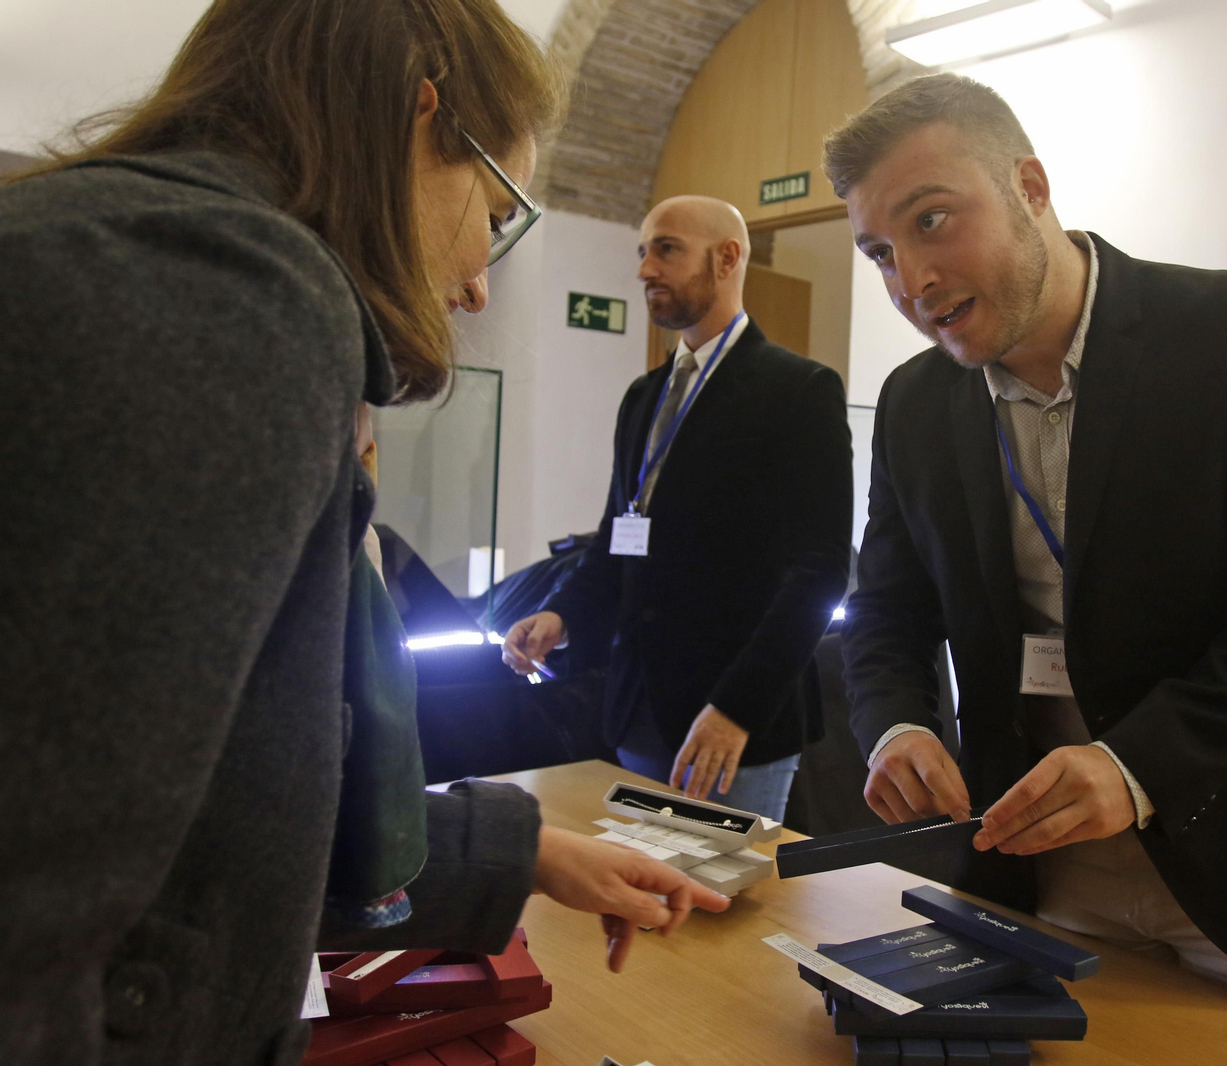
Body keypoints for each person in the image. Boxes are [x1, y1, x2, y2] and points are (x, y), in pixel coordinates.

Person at [0, 3, 725, 1065]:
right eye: (497, 210)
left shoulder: (160, 261)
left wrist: (518, 856)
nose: (477, 282)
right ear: (417, 118)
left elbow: (225, 810)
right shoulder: (228, 287)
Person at [829, 74, 1227, 1027]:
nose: (911, 281)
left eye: (932, 221)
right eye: (880, 252)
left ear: (1030, 188)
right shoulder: (915, 403)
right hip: (1035, 876)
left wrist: (1136, 767)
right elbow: (886, 608)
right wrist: (895, 726)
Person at [501, 196, 853, 822]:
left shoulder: (799, 391)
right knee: (642, 882)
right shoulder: (644, 396)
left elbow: (819, 573)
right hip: (638, 708)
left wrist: (737, 708)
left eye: (666, 249)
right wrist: (561, 613)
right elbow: (618, 537)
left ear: (727, 258)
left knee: (722, 886)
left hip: (734, 725)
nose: (644, 269)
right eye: (643, 252)